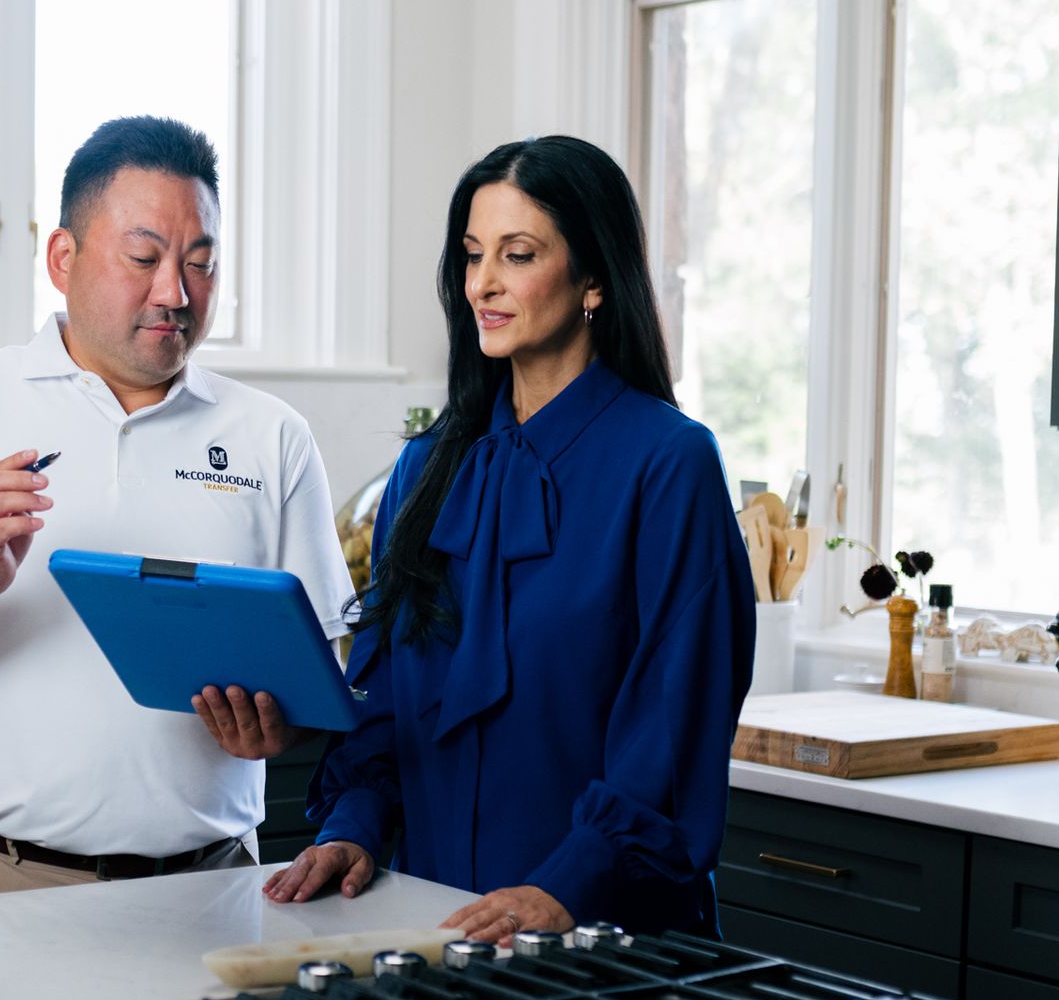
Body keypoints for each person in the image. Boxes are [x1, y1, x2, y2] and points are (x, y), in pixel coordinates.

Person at [0, 116, 351, 899]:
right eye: (144, 258)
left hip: (213, 890)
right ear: (62, 259)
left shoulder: (273, 436)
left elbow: (323, 673)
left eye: (201, 264)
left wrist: (281, 724)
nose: (175, 293)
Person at [249, 135, 754, 942]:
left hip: (603, 935)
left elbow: (675, 719)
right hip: (439, 925)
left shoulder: (669, 464)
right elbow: (383, 707)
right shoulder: (424, 471)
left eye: (517, 255)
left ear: (593, 277)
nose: (483, 282)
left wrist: (567, 884)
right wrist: (352, 826)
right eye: (472, 254)